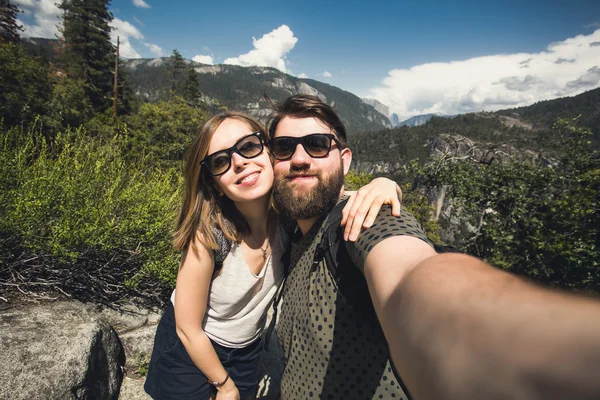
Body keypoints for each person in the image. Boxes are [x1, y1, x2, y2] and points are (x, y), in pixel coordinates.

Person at [268, 94, 600, 400]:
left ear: (345, 160)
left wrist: (528, 342)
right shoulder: (286, 229)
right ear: (272, 161)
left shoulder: (363, 221)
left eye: (316, 145)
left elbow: (409, 273)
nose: (299, 159)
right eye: (284, 147)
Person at [143, 111, 403, 400]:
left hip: (246, 352)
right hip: (190, 350)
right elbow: (187, 328)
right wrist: (224, 385)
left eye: (248, 147)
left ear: (269, 152)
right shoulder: (208, 238)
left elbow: (332, 194)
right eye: (220, 161)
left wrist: (384, 184)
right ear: (214, 183)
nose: (239, 162)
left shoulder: (288, 218)